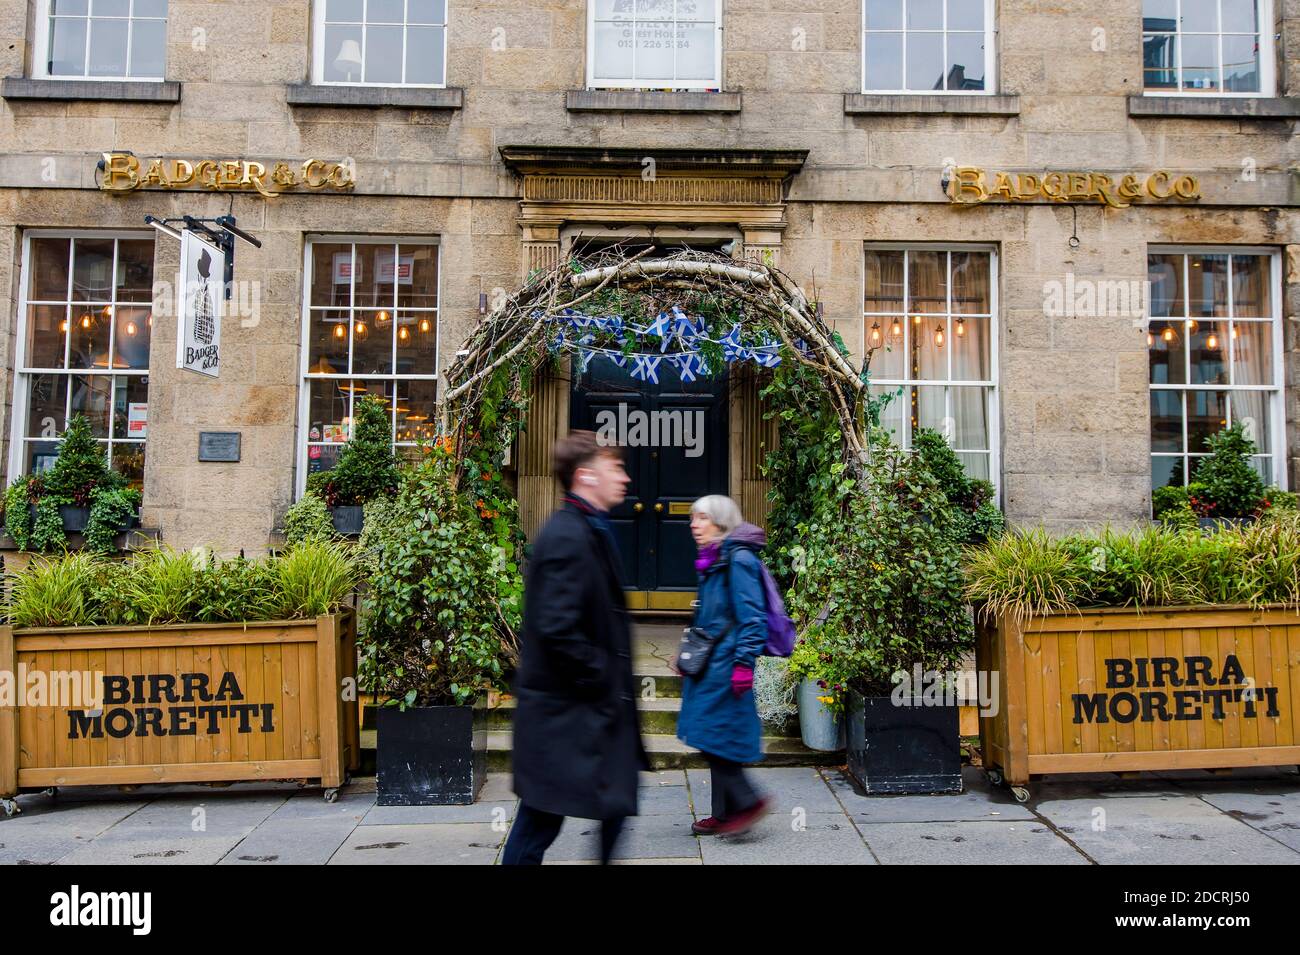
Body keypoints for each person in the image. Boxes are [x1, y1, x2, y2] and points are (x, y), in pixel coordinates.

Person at [502, 430, 648, 865]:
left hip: (586, 712)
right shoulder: (568, 535)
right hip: (567, 716)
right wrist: (601, 673)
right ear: (586, 476)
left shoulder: (588, 527)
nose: (624, 477)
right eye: (614, 468)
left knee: (616, 803)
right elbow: (555, 627)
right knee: (539, 823)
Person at [676, 495, 771, 836]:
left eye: (701, 518)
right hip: (710, 663)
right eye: (692, 518)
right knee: (715, 734)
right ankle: (726, 812)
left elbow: (752, 618)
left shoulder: (739, 559)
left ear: (720, 521)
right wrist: (686, 655)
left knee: (710, 734)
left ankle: (748, 801)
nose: (694, 525)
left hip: (728, 664)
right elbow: (708, 616)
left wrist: (744, 664)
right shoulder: (714, 558)